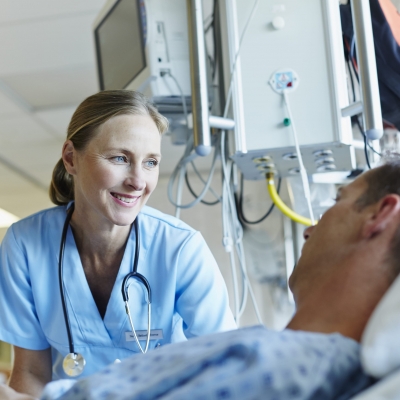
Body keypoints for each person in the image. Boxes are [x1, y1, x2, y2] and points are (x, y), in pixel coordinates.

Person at [2, 159, 400, 400]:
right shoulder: (272, 351)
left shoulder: (281, 365)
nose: (311, 228)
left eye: (337, 200)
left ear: (381, 215)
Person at [0, 90, 236, 398]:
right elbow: (31, 372)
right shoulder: (24, 245)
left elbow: (228, 367)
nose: (138, 181)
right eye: (120, 158)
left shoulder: (180, 248)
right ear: (71, 158)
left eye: (150, 162)